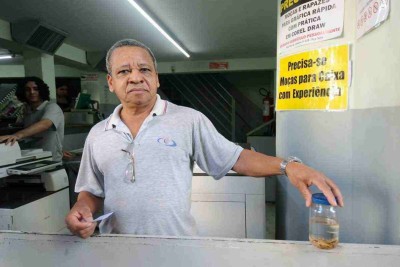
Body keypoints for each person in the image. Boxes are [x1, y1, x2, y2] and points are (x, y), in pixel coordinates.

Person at [65, 39, 344, 239]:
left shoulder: (188, 120)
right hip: (116, 250)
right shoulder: (98, 134)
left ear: (157, 78)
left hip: (178, 248)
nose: (136, 77)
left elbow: (237, 158)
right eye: (124, 71)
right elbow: (92, 192)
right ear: (111, 82)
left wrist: (289, 166)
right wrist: (81, 209)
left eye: (144, 69)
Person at [0, 77, 64, 162]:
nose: (32, 92)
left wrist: (17, 135)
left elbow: (45, 124)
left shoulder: (52, 107)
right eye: (27, 90)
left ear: (41, 91)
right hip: (33, 158)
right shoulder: (28, 111)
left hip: (51, 160)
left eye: (36, 89)